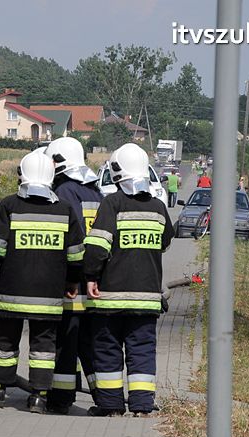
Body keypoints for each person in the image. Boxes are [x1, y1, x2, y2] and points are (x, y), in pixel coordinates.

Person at [0, 150, 84, 412]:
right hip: (48, 296)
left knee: (5, 341)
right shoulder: (64, 210)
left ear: (23, 175)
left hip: (12, 293)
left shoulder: (9, 206)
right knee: (44, 347)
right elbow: (76, 255)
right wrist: (72, 283)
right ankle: (39, 396)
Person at [83, 143, 174, 417]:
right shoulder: (158, 207)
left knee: (108, 349)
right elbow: (166, 241)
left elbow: (97, 247)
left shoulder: (112, 203)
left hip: (111, 298)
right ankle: (142, 406)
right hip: (146, 298)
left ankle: (111, 406)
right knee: (142, 351)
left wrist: (91, 276)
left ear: (117, 172)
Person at [42, 137, 102, 414]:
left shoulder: (64, 191)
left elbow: (69, 238)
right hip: (94, 282)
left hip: (72, 283)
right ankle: (104, 396)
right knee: (90, 346)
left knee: (66, 345)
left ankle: (61, 399)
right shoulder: (94, 192)